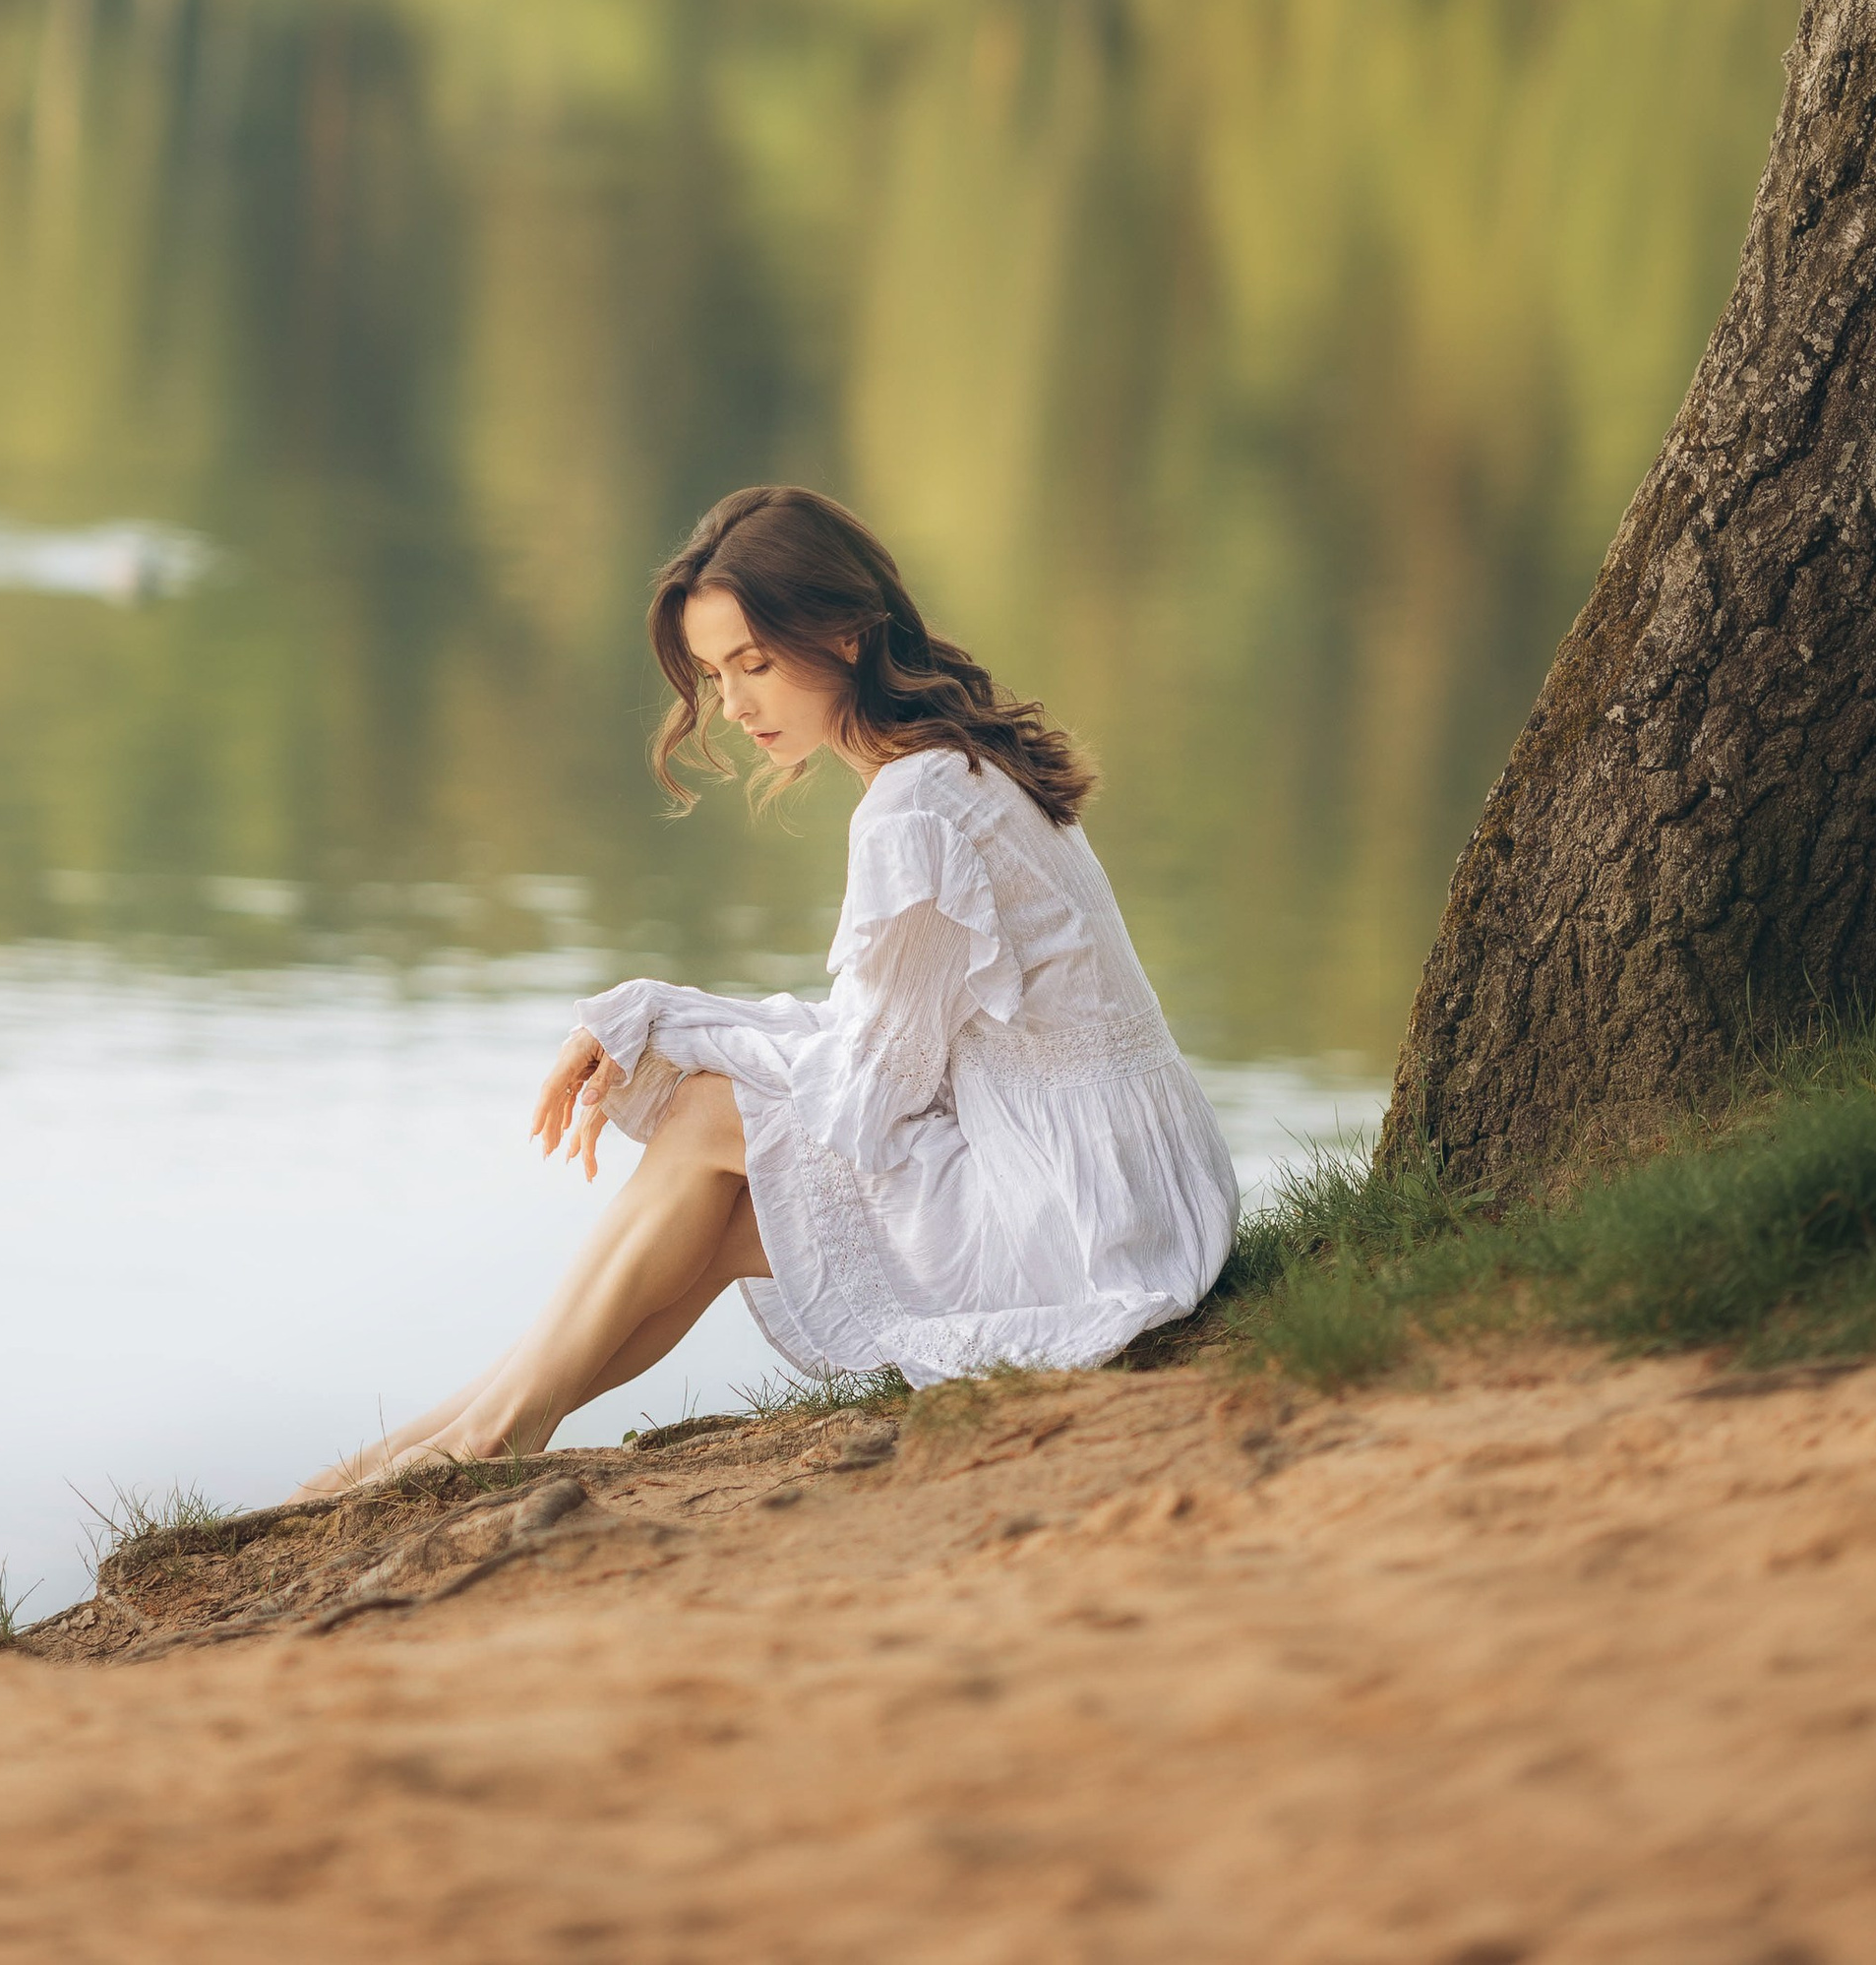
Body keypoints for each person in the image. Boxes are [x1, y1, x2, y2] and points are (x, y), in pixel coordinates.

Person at [301, 483, 1239, 1490]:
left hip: (1084, 1226)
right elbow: (877, 1041)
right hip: (1131, 1186)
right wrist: (669, 1020)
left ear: (843, 635)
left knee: (710, 1119)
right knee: (725, 1224)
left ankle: (473, 1443)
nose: (735, 706)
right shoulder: (952, 768)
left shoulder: (915, 811)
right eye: (713, 675)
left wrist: (673, 1030)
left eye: (753, 663)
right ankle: (414, 1459)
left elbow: (868, 1096)